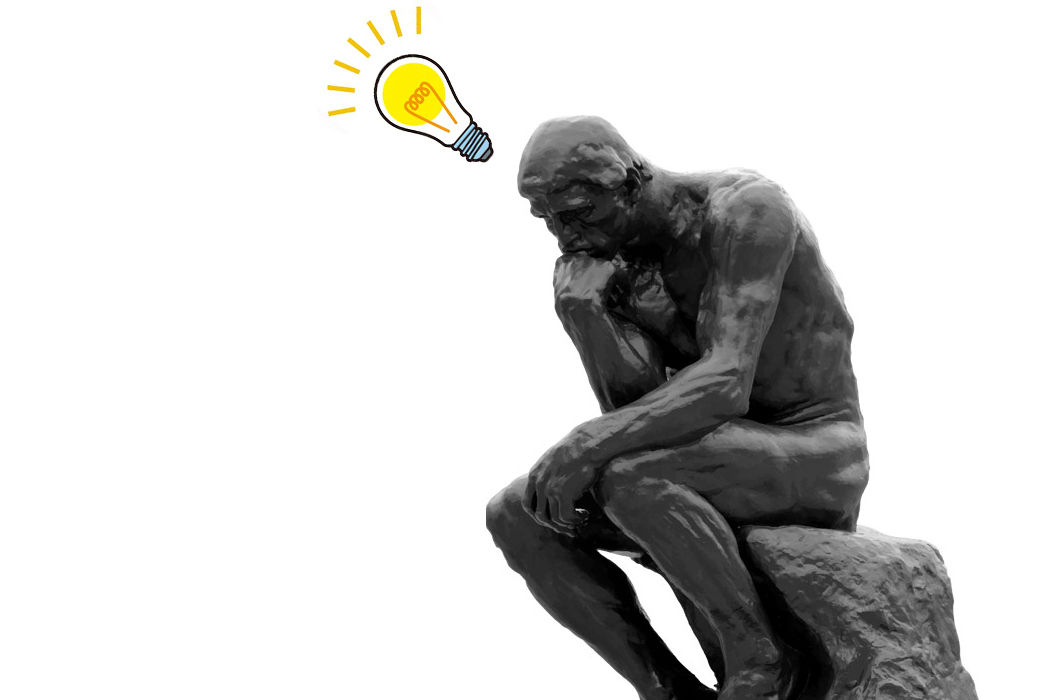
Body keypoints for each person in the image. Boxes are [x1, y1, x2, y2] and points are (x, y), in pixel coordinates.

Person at [485, 116, 869, 700]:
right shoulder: (612, 263)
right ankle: (666, 690)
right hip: (714, 459)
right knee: (519, 513)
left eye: (579, 213)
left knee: (630, 475)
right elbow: (637, 412)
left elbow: (726, 382)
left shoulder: (746, 212)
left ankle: (765, 663)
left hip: (818, 449)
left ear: (629, 180)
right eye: (548, 221)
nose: (565, 238)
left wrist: (584, 443)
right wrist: (586, 318)